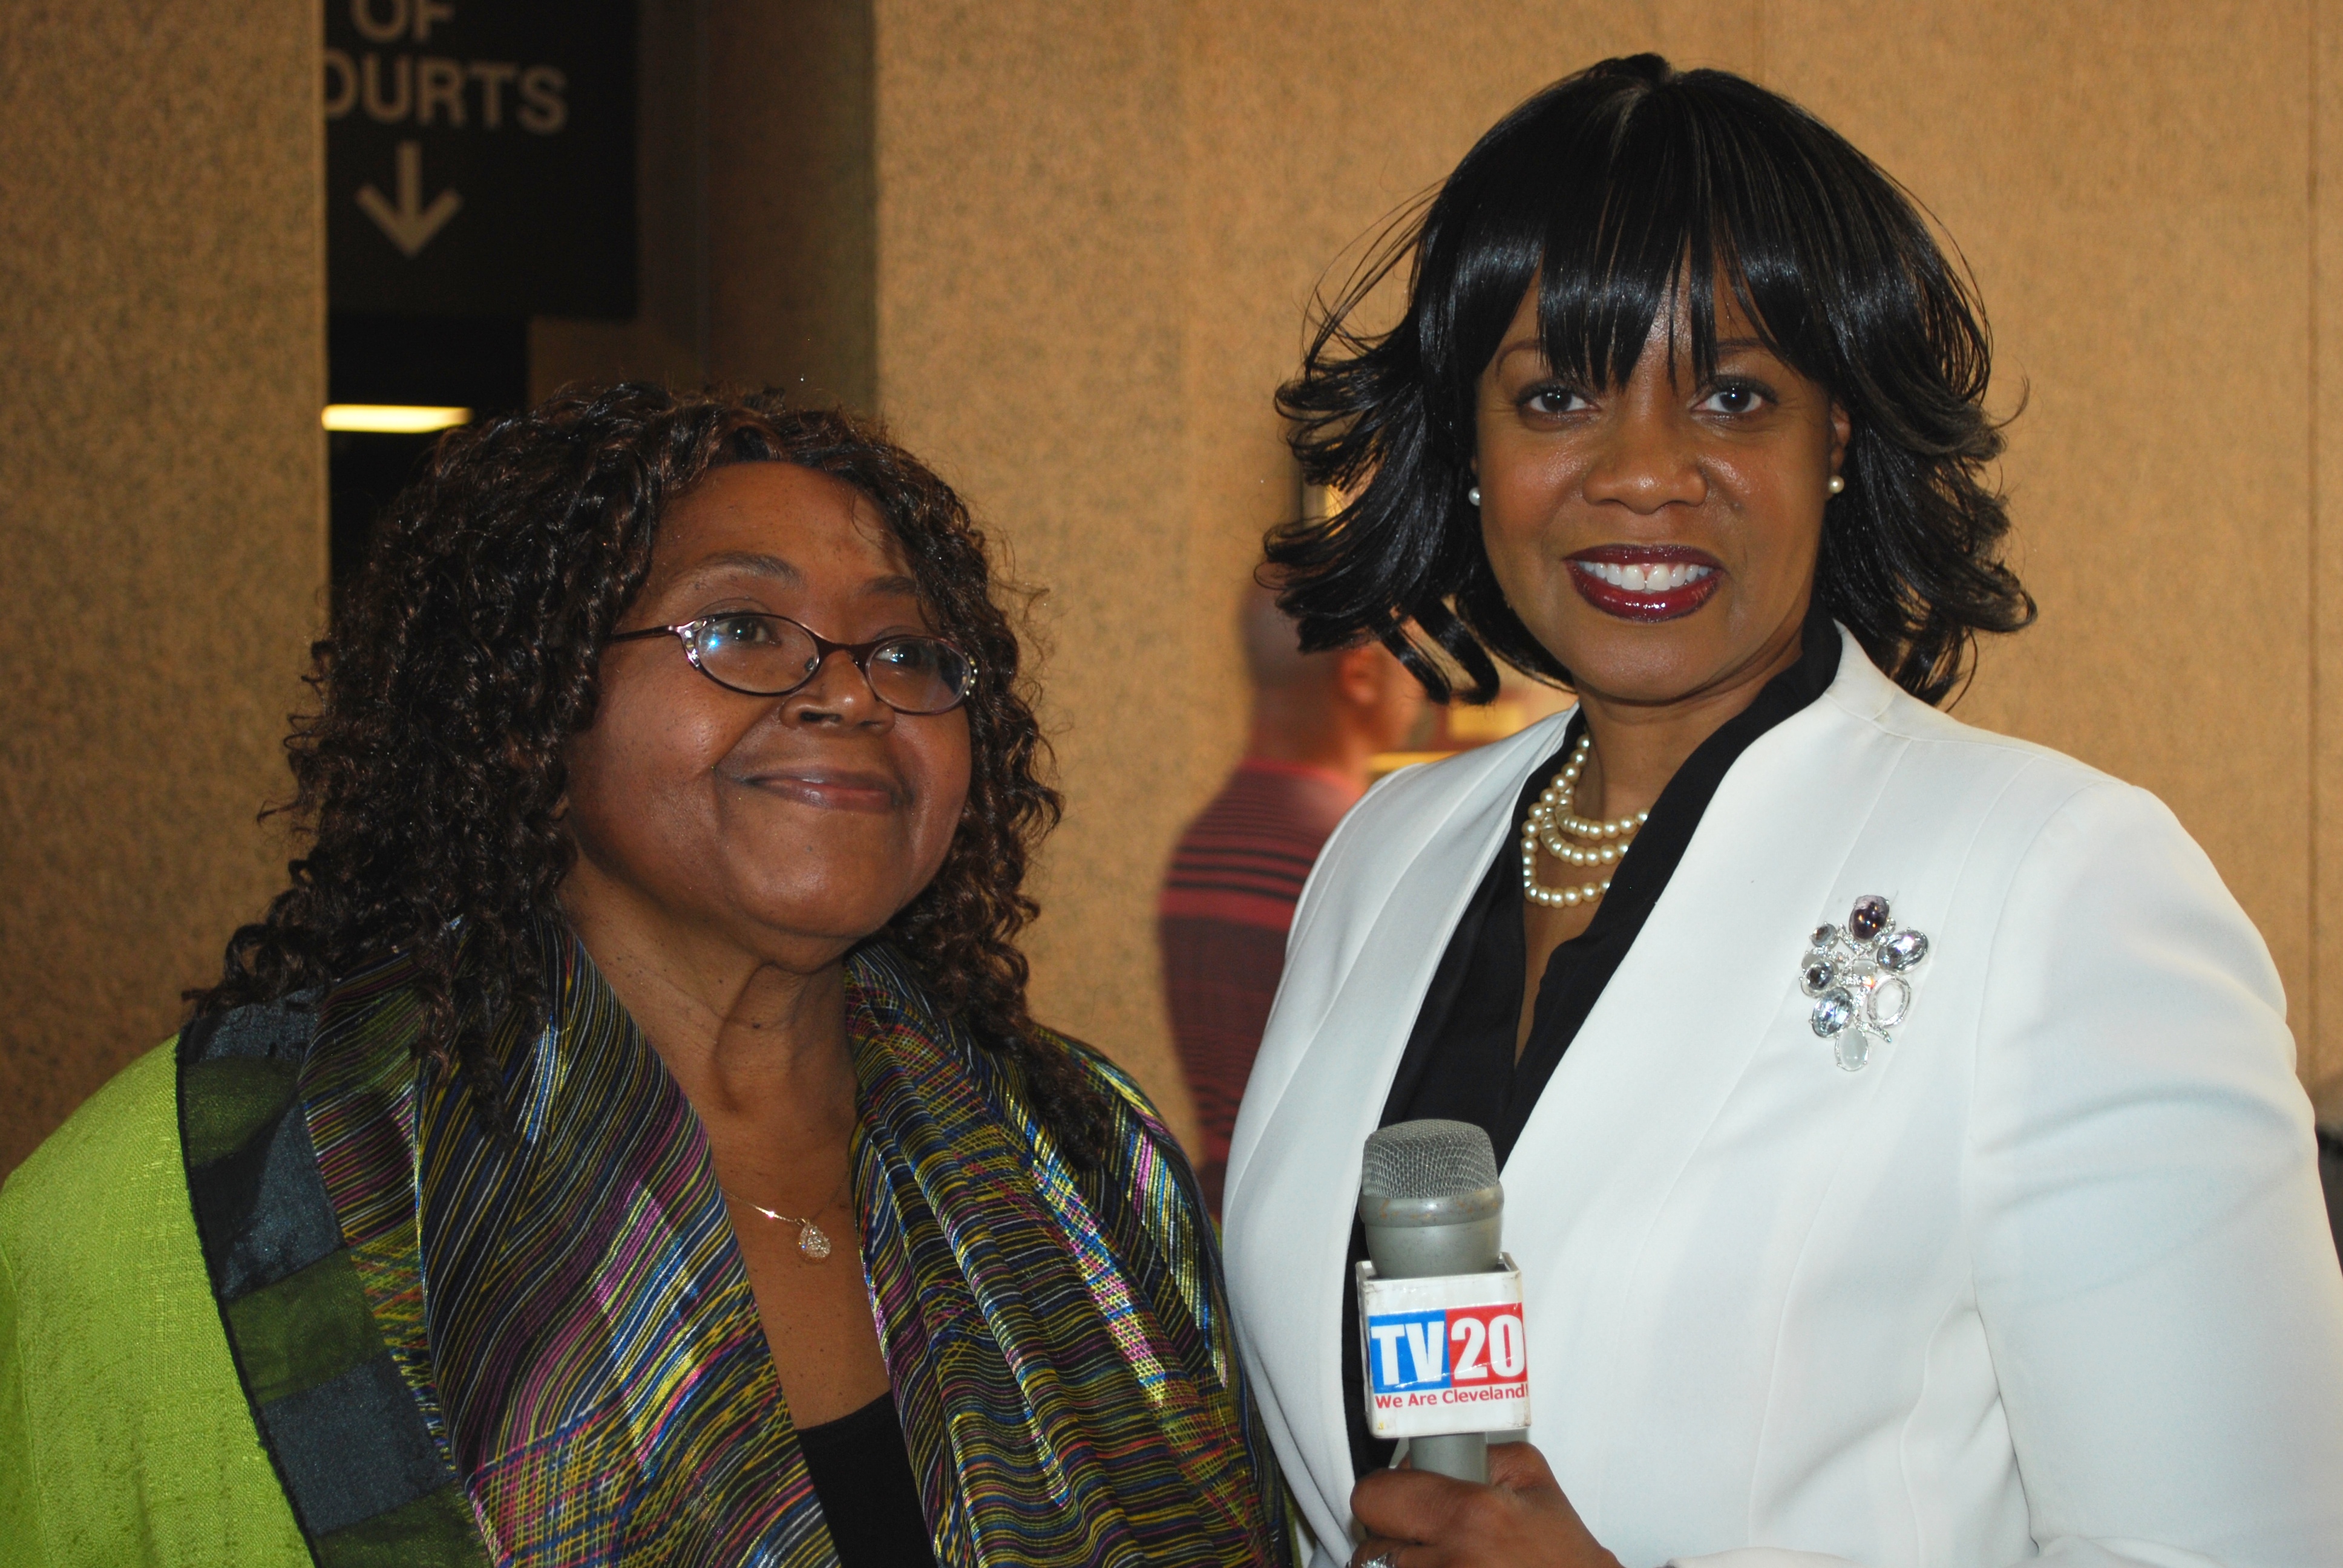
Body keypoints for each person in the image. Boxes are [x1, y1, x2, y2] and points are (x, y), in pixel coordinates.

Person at [1221, 55, 2343, 1568]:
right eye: (1556, 394)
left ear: (1839, 439)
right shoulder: (1382, 855)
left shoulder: (2063, 885)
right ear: (1470, 448)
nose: (1642, 475)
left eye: (1734, 396)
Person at [0, 387, 1289, 1567]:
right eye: (742, 628)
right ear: (531, 695)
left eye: (904, 649)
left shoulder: (1079, 1150)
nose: (852, 695)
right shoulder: (232, 1196)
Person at [1160, 583, 1423, 1215]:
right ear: (1359, 673)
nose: (1425, 679)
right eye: (1413, 652)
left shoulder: (1206, 838)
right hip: (1327, 1228)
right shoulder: (1350, 854)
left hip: (1228, 1215)